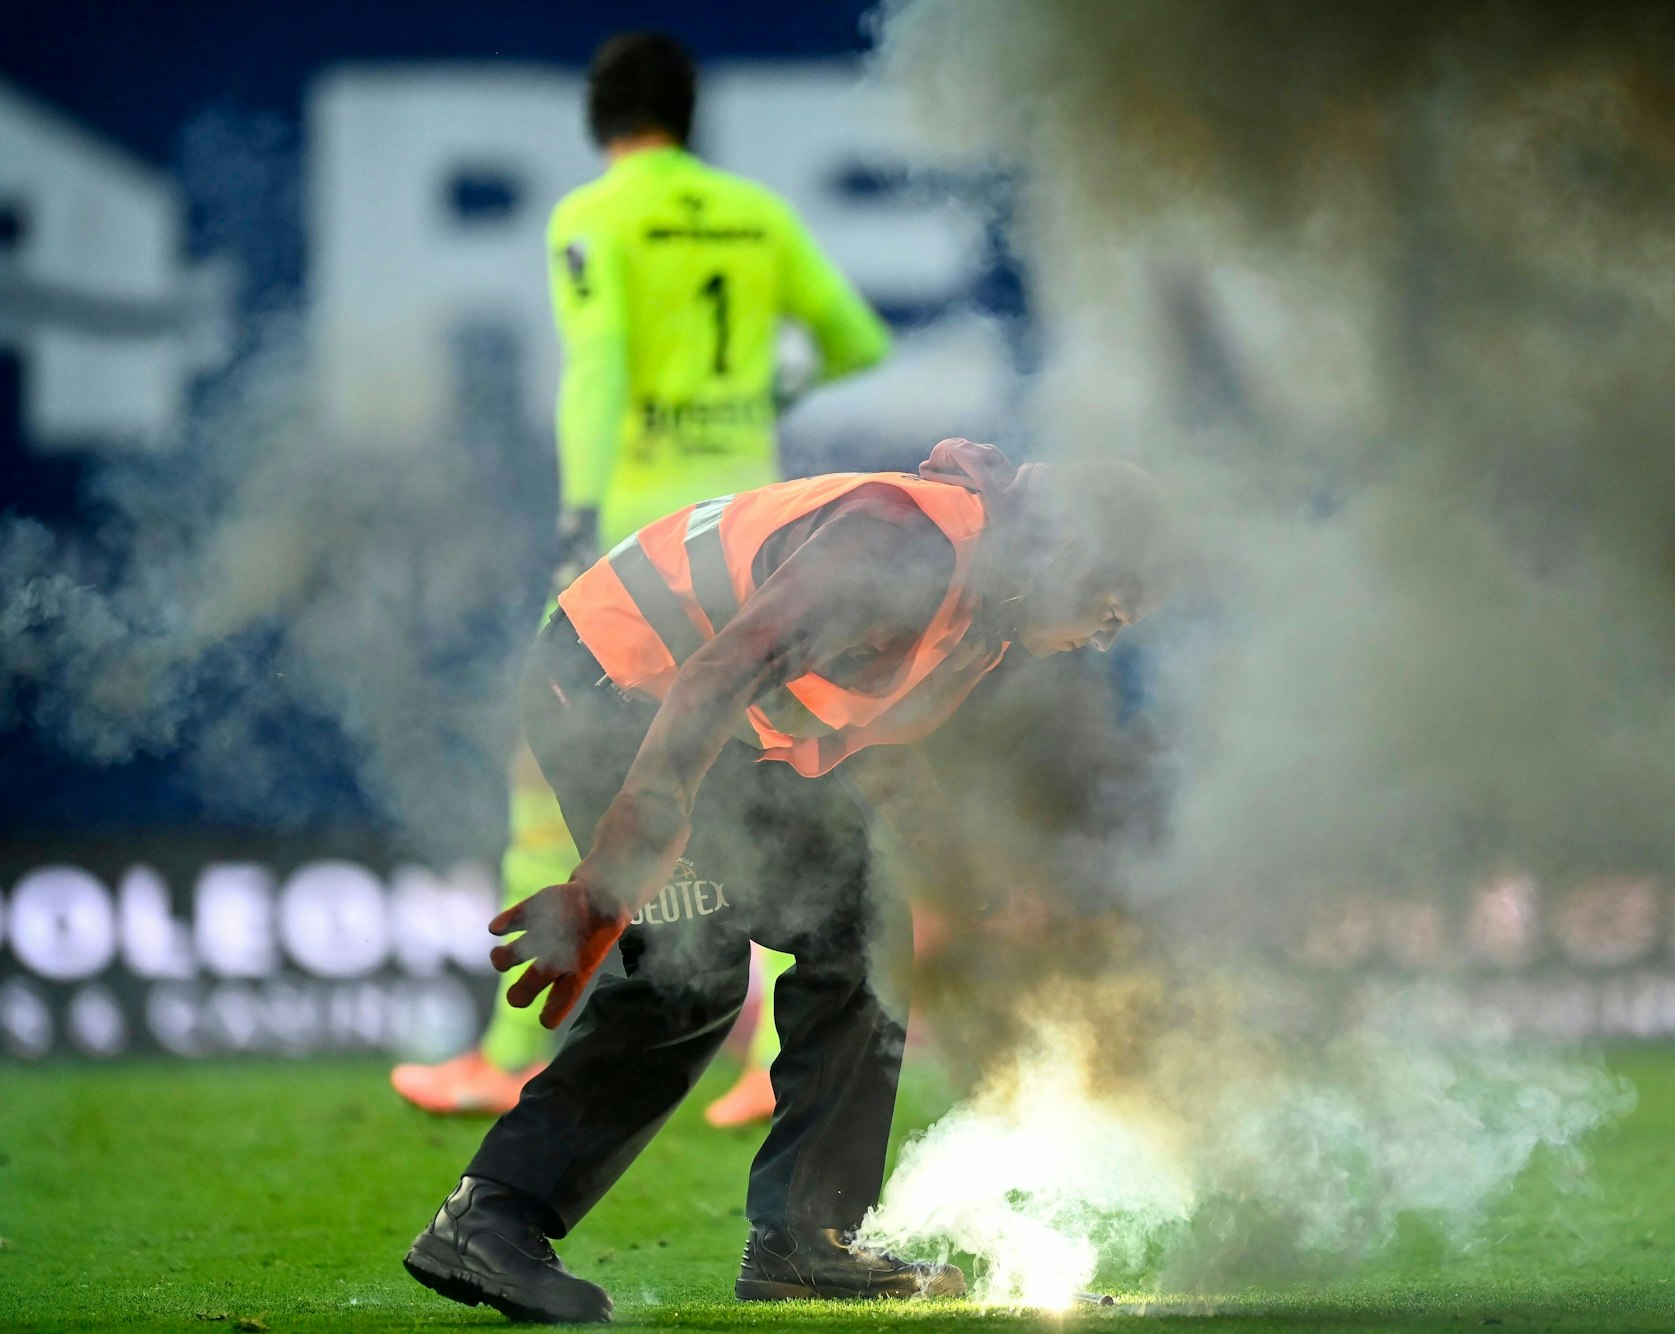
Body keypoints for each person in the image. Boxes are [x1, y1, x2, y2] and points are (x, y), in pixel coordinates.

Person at [402, 438, 1176, 1321]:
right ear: (1069, 557)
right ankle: (488, 1218)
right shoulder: (908, 546)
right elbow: (718, 676)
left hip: (699, 717)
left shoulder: (983, 601)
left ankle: (808, 1241)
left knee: (861, 927)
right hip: (614, 687)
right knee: (687, 978)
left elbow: (876, 747)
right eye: (1111, 615)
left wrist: (965, 874)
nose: (1099, 642)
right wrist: (608, 883)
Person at [391, 29, 890, 1117]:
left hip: (638, 548)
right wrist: (759, 396)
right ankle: (769, 1068)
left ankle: (511, 1048)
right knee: (765, 779)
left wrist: (577, 518)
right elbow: (853, 339)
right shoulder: (756, 215)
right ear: (689, 114)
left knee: (547, 766)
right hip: (751, 535)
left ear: (597, 116)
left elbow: (597, 372)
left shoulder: (593, 215)